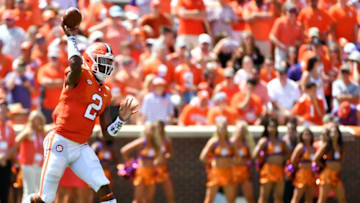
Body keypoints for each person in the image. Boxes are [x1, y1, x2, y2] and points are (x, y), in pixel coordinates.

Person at [29, 16, 137, 203]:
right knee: (45, 198)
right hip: (59, 142)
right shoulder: (80, 76)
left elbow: (107, 134)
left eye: (110, 62)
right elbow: (75, 64)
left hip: (81, 147)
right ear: (91, 60)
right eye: (104, 61)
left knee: (105, 190)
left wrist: (121, 119)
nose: (108, 66)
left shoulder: (106, 92)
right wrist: (71, 37)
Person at [121, 122, 161, 203]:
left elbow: (158, 158)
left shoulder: (156, 144)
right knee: (138, 199)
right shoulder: (142, 141)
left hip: (152, 173)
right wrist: (130, 164)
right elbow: (124, 151)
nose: (151, 131)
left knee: (149, 200)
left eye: (153, 129)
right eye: (150, 129)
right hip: (142, 172)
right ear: (146, 130)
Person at [253, 118, 290, 203]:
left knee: (279, 197)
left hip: (279, 171)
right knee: (264, 197)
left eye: (274, 126)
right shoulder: (264, 141)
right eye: (270, 126)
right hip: (267, 171)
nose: (272, 128)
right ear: (267, 128)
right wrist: (263, 159)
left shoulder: (281, 142)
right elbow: (255, 155)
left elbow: (289, 154)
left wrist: (281, 159)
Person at [199, 120, 236, 203]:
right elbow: (202, 157)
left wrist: (229, 161)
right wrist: (212, 162)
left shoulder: (230, 143)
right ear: (217, 129)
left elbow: (237, 157)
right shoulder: (213, 142)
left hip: (227, 172)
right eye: (220, 128)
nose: (222, 130)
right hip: (216, 173)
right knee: (209, 199)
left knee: (231, 199)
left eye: (223, 128)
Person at [15, 110, 46, 203]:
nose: (38, 122)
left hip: (39, 165)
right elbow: (16, 141)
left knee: (38, 191)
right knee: (29, 190)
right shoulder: (28, 132)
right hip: (28, 164)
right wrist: (18, 158)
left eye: (39, 119)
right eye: (36, 119)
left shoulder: (42, 133)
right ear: (32, 121)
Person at [314, 125, 346, 203]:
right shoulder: (326, 146)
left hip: (336, 175)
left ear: (339, 134)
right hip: (326, 176)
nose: (334, 134)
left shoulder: (340, 146)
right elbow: (315, 159)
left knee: (342, 199)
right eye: (332, 132)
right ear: (329, 134)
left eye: (335, 132)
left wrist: (337, 166)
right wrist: (324, 166)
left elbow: (341, 159)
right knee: (322, 199)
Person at [290, 128, 316, 203]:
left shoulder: (313, 148)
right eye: (305, 134)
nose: (307, 136)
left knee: (309, 198)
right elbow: (292, 160)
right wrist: (299, 167)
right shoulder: (300, 147)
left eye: (309, 134)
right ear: (302, 136)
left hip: (311, 174)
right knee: (297, 197)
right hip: (301, 175)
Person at [230, 122, 254, 203]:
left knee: (249, 197)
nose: (240, 131)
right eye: (239, 129)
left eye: (243, 130)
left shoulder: (247, 143)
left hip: (245, 173)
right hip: (233, 173)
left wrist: (245, 162)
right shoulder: (231, 143)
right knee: (231, 198)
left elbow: (251, 159)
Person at [0, 99, 17, 203]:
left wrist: (4, 157)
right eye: (1, 109)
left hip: (6, 163)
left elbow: (14, 147)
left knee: (5, 192)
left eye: (5, 110)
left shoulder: (10, 128)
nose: (2, 111)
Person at [155, 120, 175, 203]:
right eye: (157, 127)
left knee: (169, 193)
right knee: (148, 193)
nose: (159, 129)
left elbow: (171, 154)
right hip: (152, 169)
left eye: (160, 127)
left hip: (163, 168)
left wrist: (166, 156)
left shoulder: (166, 140)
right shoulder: (152, 140)